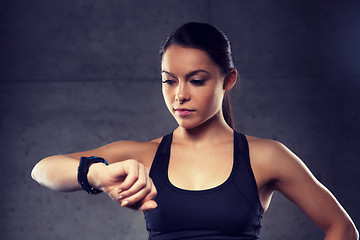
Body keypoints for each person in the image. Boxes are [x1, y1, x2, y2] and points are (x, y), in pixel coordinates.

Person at [31, 22, 358, 240]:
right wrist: (98, 176)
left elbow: (341, 227)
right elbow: (43, 169)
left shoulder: (266, 157)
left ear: (227, 80)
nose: (179, 95)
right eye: (169, 80)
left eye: (197, 80)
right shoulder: (145, 154)